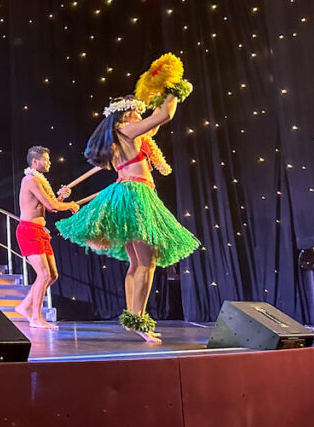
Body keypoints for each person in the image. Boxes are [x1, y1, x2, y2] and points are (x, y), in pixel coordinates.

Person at [56, 94, 200, 342]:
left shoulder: (123, 133)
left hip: (130, 194)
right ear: (126, 113)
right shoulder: (126, 129)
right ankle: (138, 320)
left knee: (137, 262)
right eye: (136, 111)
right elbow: (164, 116)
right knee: (147, 262)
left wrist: (165, 96)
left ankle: (134, 319)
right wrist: (172, 91)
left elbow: (156, 122)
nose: (140, 116)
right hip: (136, 196)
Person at [13, 146, 79, 329]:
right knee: (43, 274)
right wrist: (69, 205)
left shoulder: (40, 180)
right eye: (46, 159)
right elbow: (52, 206)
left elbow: (50, 205)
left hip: (40, 230)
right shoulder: (30, 180)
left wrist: (61, 197)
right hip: (28, 230)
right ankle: (35, 317)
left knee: (52, 275)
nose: (49, 162)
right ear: (35, 162)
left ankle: (24, 306)